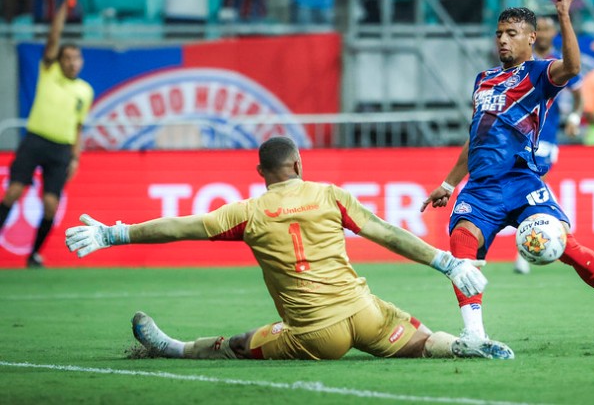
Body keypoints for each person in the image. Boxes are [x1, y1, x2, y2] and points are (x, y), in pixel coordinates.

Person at [65, 136, 514, 361]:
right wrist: (448, 262)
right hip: (367, 314)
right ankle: (460, 345)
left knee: (238, 344)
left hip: (316, 333)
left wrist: (115, 234)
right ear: (299, 163)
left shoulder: (247, 212)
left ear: (261, 171)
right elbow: (386, 233)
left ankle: (174, 348)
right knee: (419, 338)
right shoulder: (330, 195)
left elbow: (178, 227)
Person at [420, 0, 594, 347]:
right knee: (460, 244)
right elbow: (475, 136)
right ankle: (474, 334)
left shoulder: (539, 74)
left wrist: (565, 15)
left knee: (568, 248)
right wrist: (448, 183)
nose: (502, 40)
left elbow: (573, 67)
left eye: (511, 34)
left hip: (521, 181)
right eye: (499, 34)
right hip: (481, 187)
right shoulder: (483, 80)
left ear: (531, 38)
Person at [0, 0, 93, 268]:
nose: (72, 62)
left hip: (61, 149)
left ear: (81, 61)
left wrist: (76, 156)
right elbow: (54, 36)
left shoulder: (85, 91)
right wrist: (66, 4)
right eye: (67, 57)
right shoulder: (49, 72)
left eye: (76, 58)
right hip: (35, 140)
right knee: (14, 191)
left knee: (51, 204)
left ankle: (34, 254)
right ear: (59, 60)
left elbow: (79, 127)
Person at [511, 15, 582, 275]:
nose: (543, 33)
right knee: (528, 186)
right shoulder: (519, 63)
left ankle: (547, 230)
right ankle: (555, 222)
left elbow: (578, 94)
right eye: (539, 29)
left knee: (531, 184)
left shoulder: (559, 64)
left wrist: (574, 117)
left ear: (554, 33)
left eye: (548, 29)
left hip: (546, 137)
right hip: (517, 136)